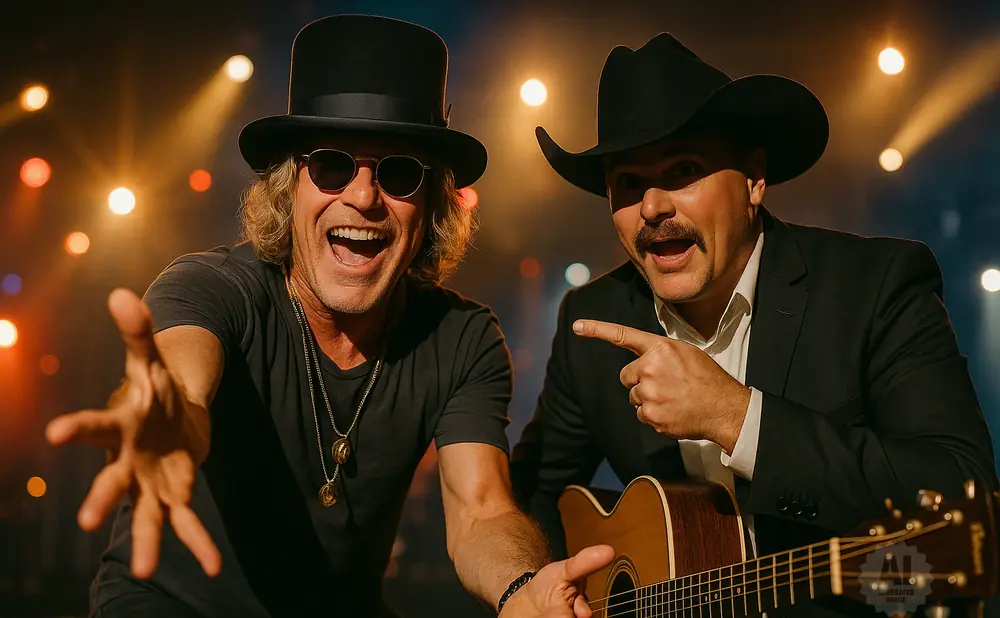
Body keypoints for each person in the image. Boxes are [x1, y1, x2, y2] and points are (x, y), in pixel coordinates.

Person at [46, 15, 612, 618]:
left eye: (399, 172)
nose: (363, 197)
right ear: (289, 186)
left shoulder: (461, 337)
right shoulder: (211, 288)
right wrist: (166, 418)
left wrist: (518, 589)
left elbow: (482, 510)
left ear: (431, 206)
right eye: (332, 166)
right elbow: (183, 386)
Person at [510, 32, 999, 616]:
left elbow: (960, 484)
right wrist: (547, 593)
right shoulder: (593, 323)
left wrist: (736, 417)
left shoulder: (875, 285)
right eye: (629, 184)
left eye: (683, 170)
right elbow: (532, 499)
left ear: (754, 180)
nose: (652, 207)